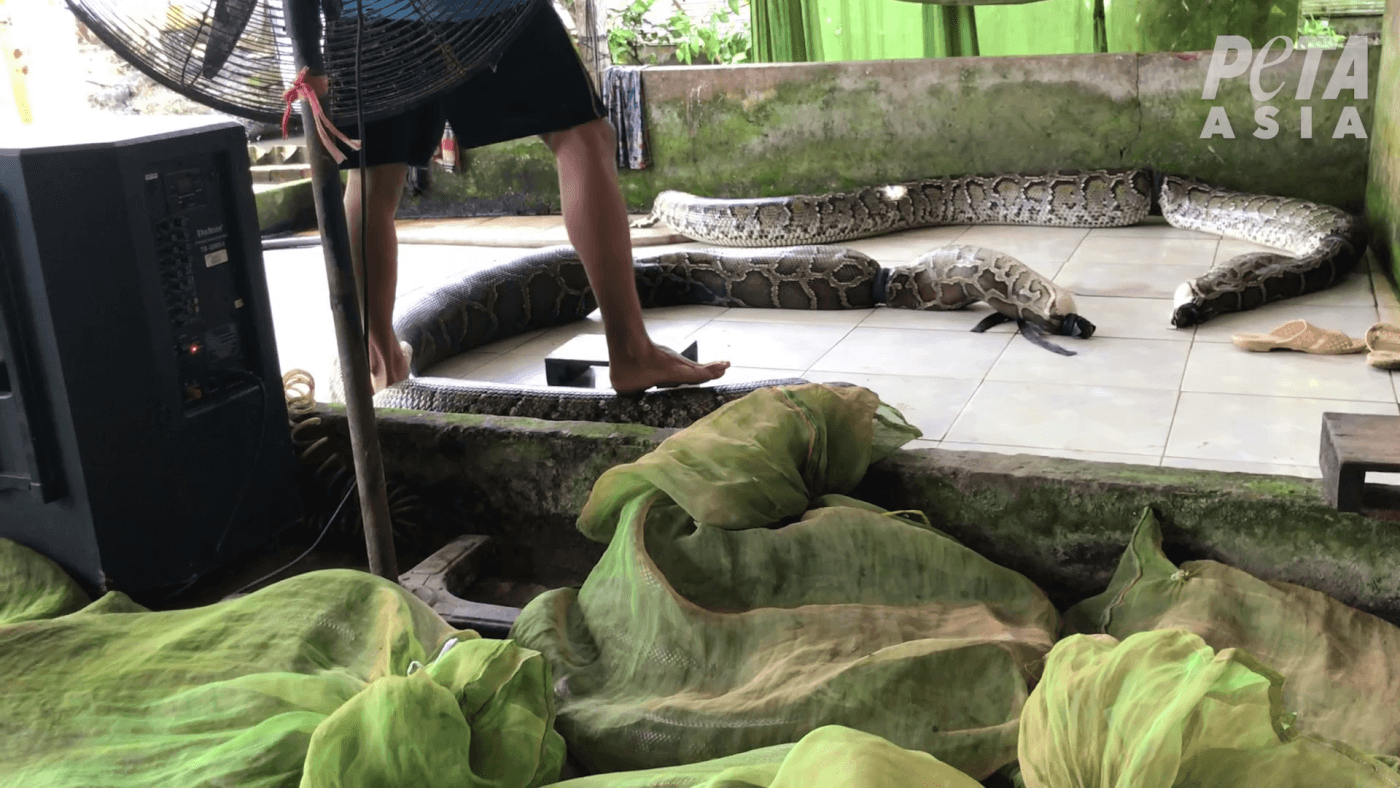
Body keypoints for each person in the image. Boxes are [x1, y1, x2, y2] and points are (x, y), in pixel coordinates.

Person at [285, 0, 730, 394]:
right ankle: (631, 349)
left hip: (375, 20)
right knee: (581, 137)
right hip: (488, 16)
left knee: (372, 182)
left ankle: (381, 361)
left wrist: (309, 55)